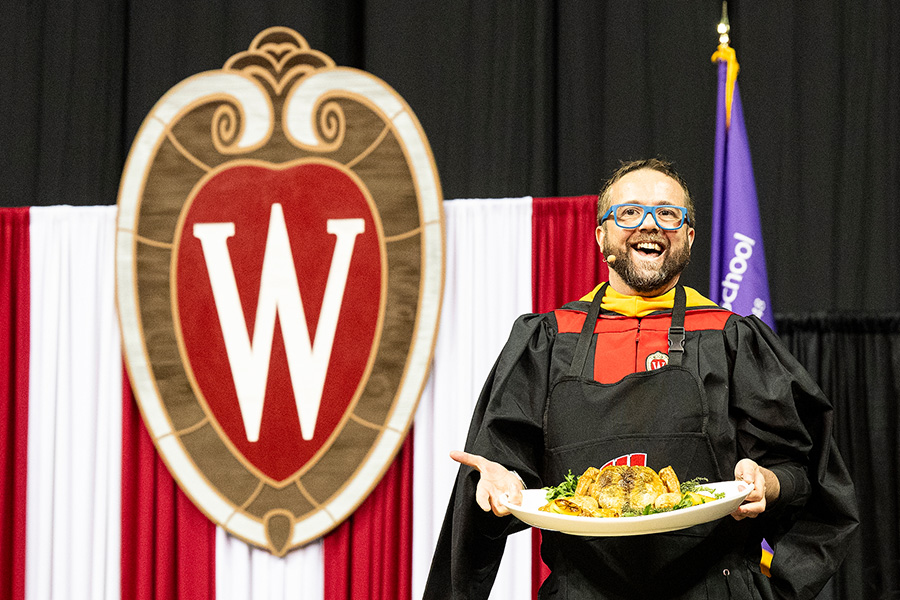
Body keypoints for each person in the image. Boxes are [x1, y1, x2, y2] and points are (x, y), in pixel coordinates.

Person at [423, 158, 859, 599]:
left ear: (689, 236)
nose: (649, 224)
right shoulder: (548, 342)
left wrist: (769, 483)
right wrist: (499, 492)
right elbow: (495, 484)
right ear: (601, 236)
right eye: (629, 212)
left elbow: (809, 478)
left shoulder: (730, 339)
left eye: (668, 213)